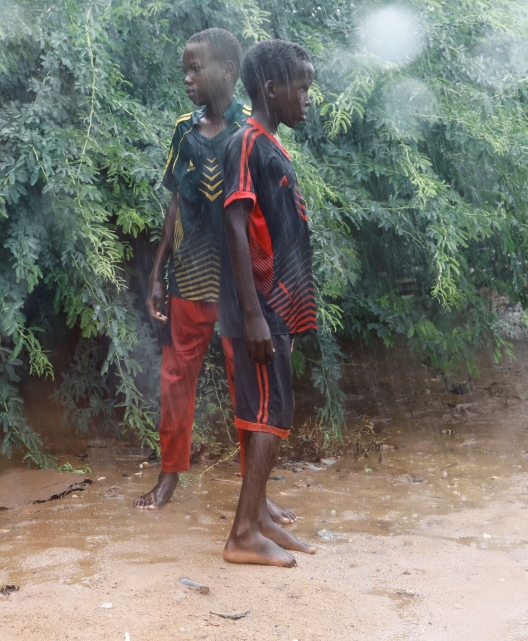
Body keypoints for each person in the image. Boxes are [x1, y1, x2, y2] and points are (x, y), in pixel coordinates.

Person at [135, 29, 295, 527]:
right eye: (184, 69)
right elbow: (176, 202)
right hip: (188, 278)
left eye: (195, 68)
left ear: (227, 71)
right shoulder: (183, 132)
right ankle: (169, 475)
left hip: (240, 289)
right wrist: (157, 273)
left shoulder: (250, 134)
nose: (186, 78)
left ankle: (256, 493)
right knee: (174, 381)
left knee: (247, 387)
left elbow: (265, 217)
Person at [220, 39, 318, 567]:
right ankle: (241, 535)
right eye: (301, 87)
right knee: (269, 412)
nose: (307, 98)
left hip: (276, 306)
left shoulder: (270, 146)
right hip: (260, 307)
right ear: (270, 88)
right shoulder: (246, 143)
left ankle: (257, 517)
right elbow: (235, 224)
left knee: (267, 408)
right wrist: (254, 314)